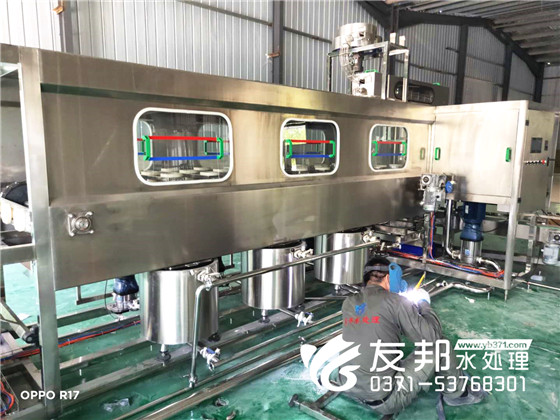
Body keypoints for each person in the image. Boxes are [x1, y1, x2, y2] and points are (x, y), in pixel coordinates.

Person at [340, 256, 486, 417]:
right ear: (388, 278)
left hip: (348, 386)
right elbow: (432, 336)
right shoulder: (396, 302)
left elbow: (378, 322)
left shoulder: (349, 302)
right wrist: (424, 303)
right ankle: (457, 394)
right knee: (441, 345)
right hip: (385, 400)